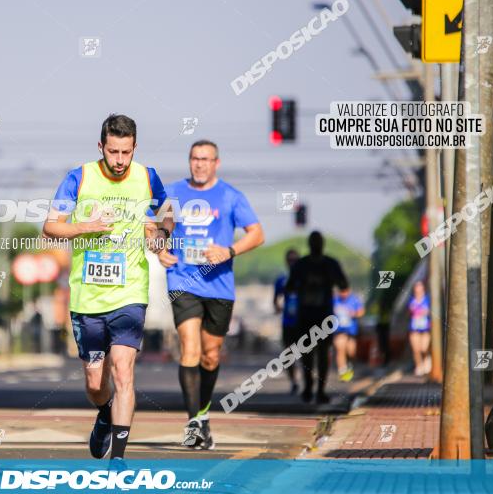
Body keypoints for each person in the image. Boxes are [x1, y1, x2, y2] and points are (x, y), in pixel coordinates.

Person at [42, 114, 171, 461]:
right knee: (95, 384)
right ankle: (104, 413)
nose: (119, 160)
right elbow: (51, 227)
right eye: (113, 151)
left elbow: (165, 214)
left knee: (123, 370)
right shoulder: (79, 178)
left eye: (125, 152)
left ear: (134, 148)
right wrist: (86, 227)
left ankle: (119, 458)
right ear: (101, 146)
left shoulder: (148, 177)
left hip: (130, 292)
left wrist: (161, 239)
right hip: (87, 295)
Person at [157, 140, 264, 449]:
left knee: (211, 354)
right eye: (194, 159)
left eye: (205, 159)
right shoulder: (174, 193)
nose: (199, 164)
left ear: (216, 163)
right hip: (183, 281)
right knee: (189, 349)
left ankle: (203, 415)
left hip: (219, 286)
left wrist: (228, 250)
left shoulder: (231, 196)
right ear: (189, 161)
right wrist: (160, 248)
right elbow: (155, 228)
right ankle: (193, 423)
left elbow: (257, 234)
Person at [285, 231, 348, 404]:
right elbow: (343, 284)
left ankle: (314, 389)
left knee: (314, 354)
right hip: (314, 315)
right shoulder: (326, 263)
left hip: (315, 315)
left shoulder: (304, 264)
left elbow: (289, 287)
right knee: (316, 354)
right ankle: (314, 389)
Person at [273, 249, 301, 395]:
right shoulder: (281, 280)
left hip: (303, 321)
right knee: (288, 354)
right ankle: (294, 381)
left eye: (295, 260)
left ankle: (309, 381)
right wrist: (278, 306)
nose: (292, 263)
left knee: (306, 353)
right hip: (288, 322)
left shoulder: (304, 278)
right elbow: (276, 300)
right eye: (290, 260)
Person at [332, 288, 364, 382]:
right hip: (339, 330)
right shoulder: (334, 300)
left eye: (345, 291)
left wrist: (354, 314)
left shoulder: (354, 299)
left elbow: (361, 312)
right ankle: (342, 372)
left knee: (351, 351)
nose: (343, 293)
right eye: (341, 291)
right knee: (340, 349)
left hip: (351, 330)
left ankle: (350, 365)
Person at [408, 281, 431, 376]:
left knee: (424, 348)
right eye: (416, 287)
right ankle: (419, 365)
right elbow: (409, 312)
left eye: (420, 287)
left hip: (425, 328)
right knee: (416, 349)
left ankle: (426, 359)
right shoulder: (411, 300)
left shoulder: (427, 299)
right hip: (414, 327)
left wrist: (426, 312)